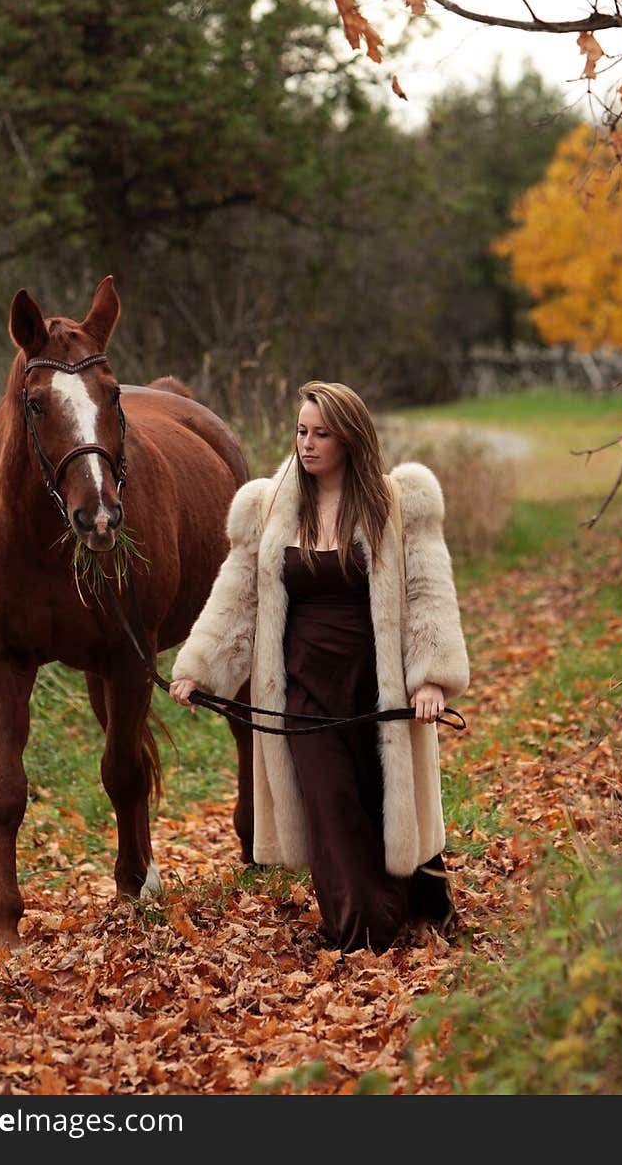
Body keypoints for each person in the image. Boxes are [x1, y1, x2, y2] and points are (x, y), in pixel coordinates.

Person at [170, 380, 469, 953]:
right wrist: (200, 667)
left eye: (321, 433)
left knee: (381, 799)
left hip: (377, 683)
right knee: (330, 805)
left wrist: (431, 676)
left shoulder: (399, 502)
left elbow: (428, 593)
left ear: (350, 438)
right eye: (301, 431)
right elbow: (238, 595)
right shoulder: (268, 505)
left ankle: (406, 899)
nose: (307, 444)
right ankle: (359, 926)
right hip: (301, 685)